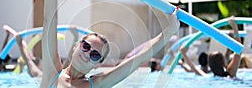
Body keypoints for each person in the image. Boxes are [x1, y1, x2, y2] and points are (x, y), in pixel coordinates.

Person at [40, 7, 180, 87]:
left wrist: (170, 31)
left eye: (95, 55)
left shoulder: (96, 84)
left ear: (97, 65)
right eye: (85, 46)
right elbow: (49, 19)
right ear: (76, 46)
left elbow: (138, 59)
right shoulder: (52, 73)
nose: (88, 54)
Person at [14, 26, 80, 77]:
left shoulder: (38, 75)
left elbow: (27, 60)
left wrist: (19, 44)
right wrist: (76, 37)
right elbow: (70, 58)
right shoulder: (60, 75)